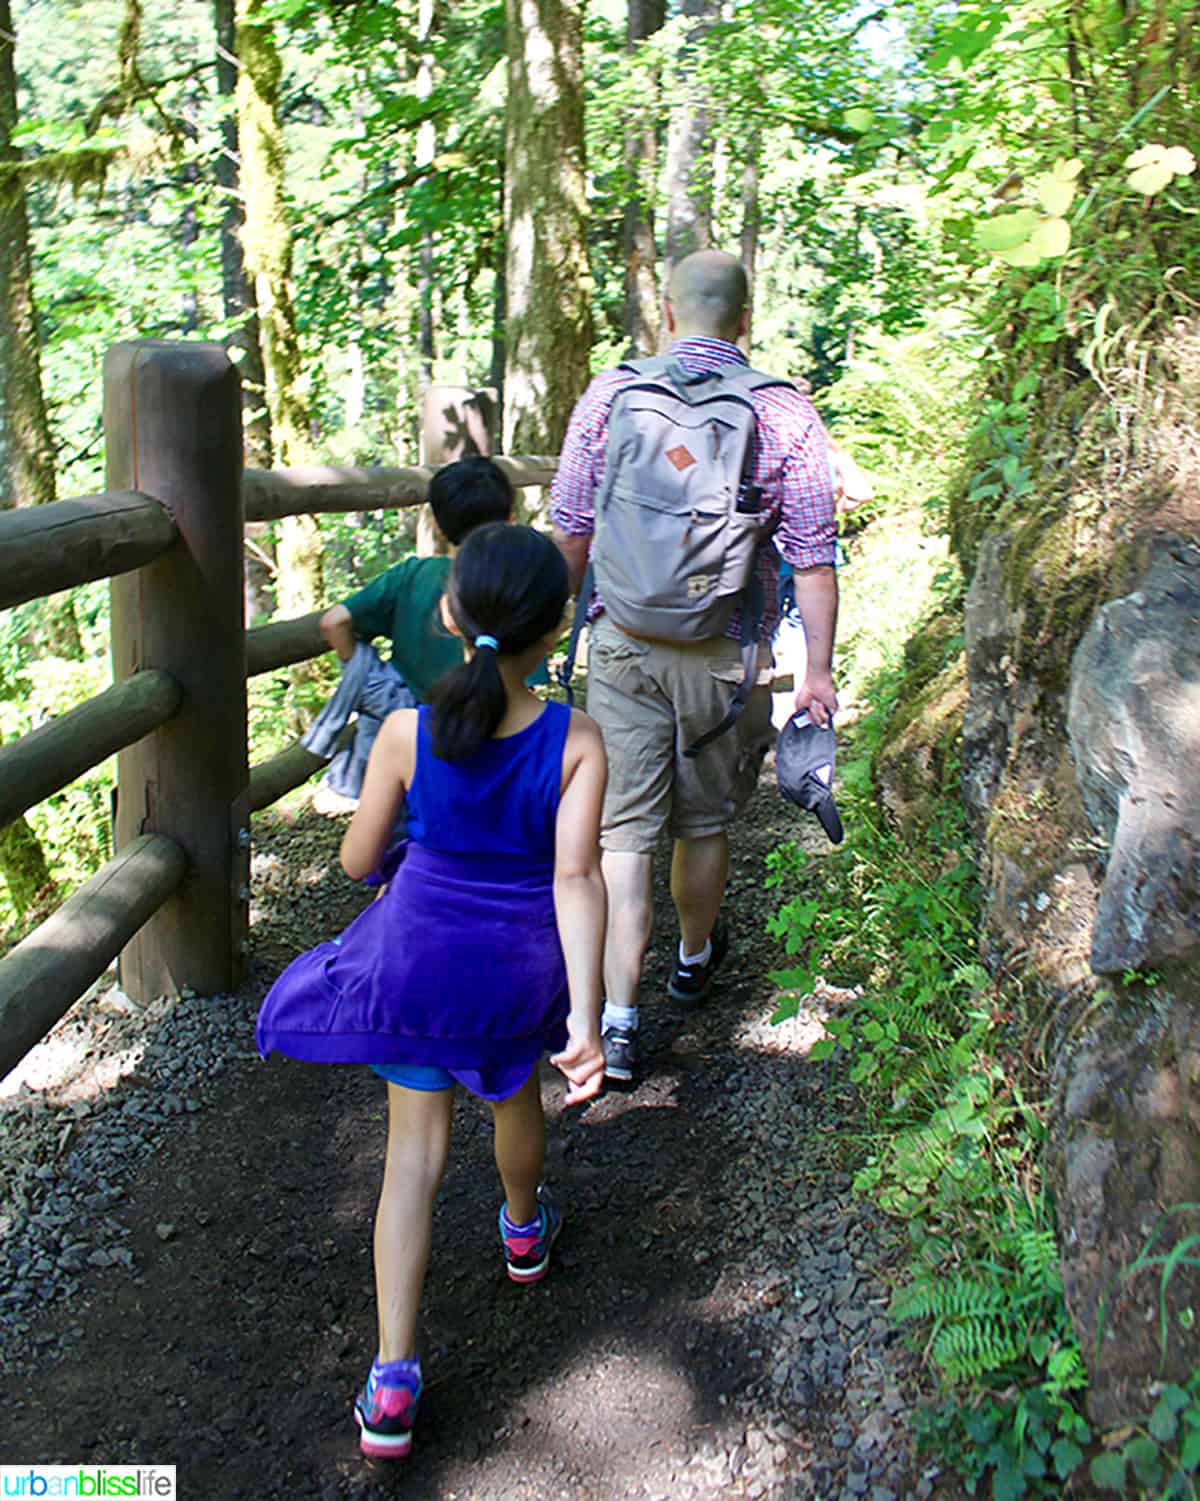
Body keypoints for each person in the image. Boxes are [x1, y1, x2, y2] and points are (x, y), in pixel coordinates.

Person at [256, 523, 608, 1461]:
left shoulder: (409, 733)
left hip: (416, 965)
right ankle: (523, 1231)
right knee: (514, 1093)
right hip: (515, 970)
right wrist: (585, 1012)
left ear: (451, 615)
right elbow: (577, 879)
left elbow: (357, 857)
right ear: (558, 625)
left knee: (409, 1161)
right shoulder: (577, 739)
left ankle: (392, 1376)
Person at [550, 249, 839, 1087]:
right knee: (704, 821)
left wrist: (534, 645)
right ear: (746, 321)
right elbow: (813, 559)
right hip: (724, 655)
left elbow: (570, 529)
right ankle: (692, 956)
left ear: (666, 315)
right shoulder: (784, 413)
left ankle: (618, 1018)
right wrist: (816, 671)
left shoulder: (612, 393)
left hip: (622, 644)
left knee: (624, 834)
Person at [307, 457, 517, 806]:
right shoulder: (513, 586)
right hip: (485, 740)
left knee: (397, 825)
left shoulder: (411, 576)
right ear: (510, 521)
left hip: (408, 728)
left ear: (437, 527)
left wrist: (365, 671)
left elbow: (334, 621)